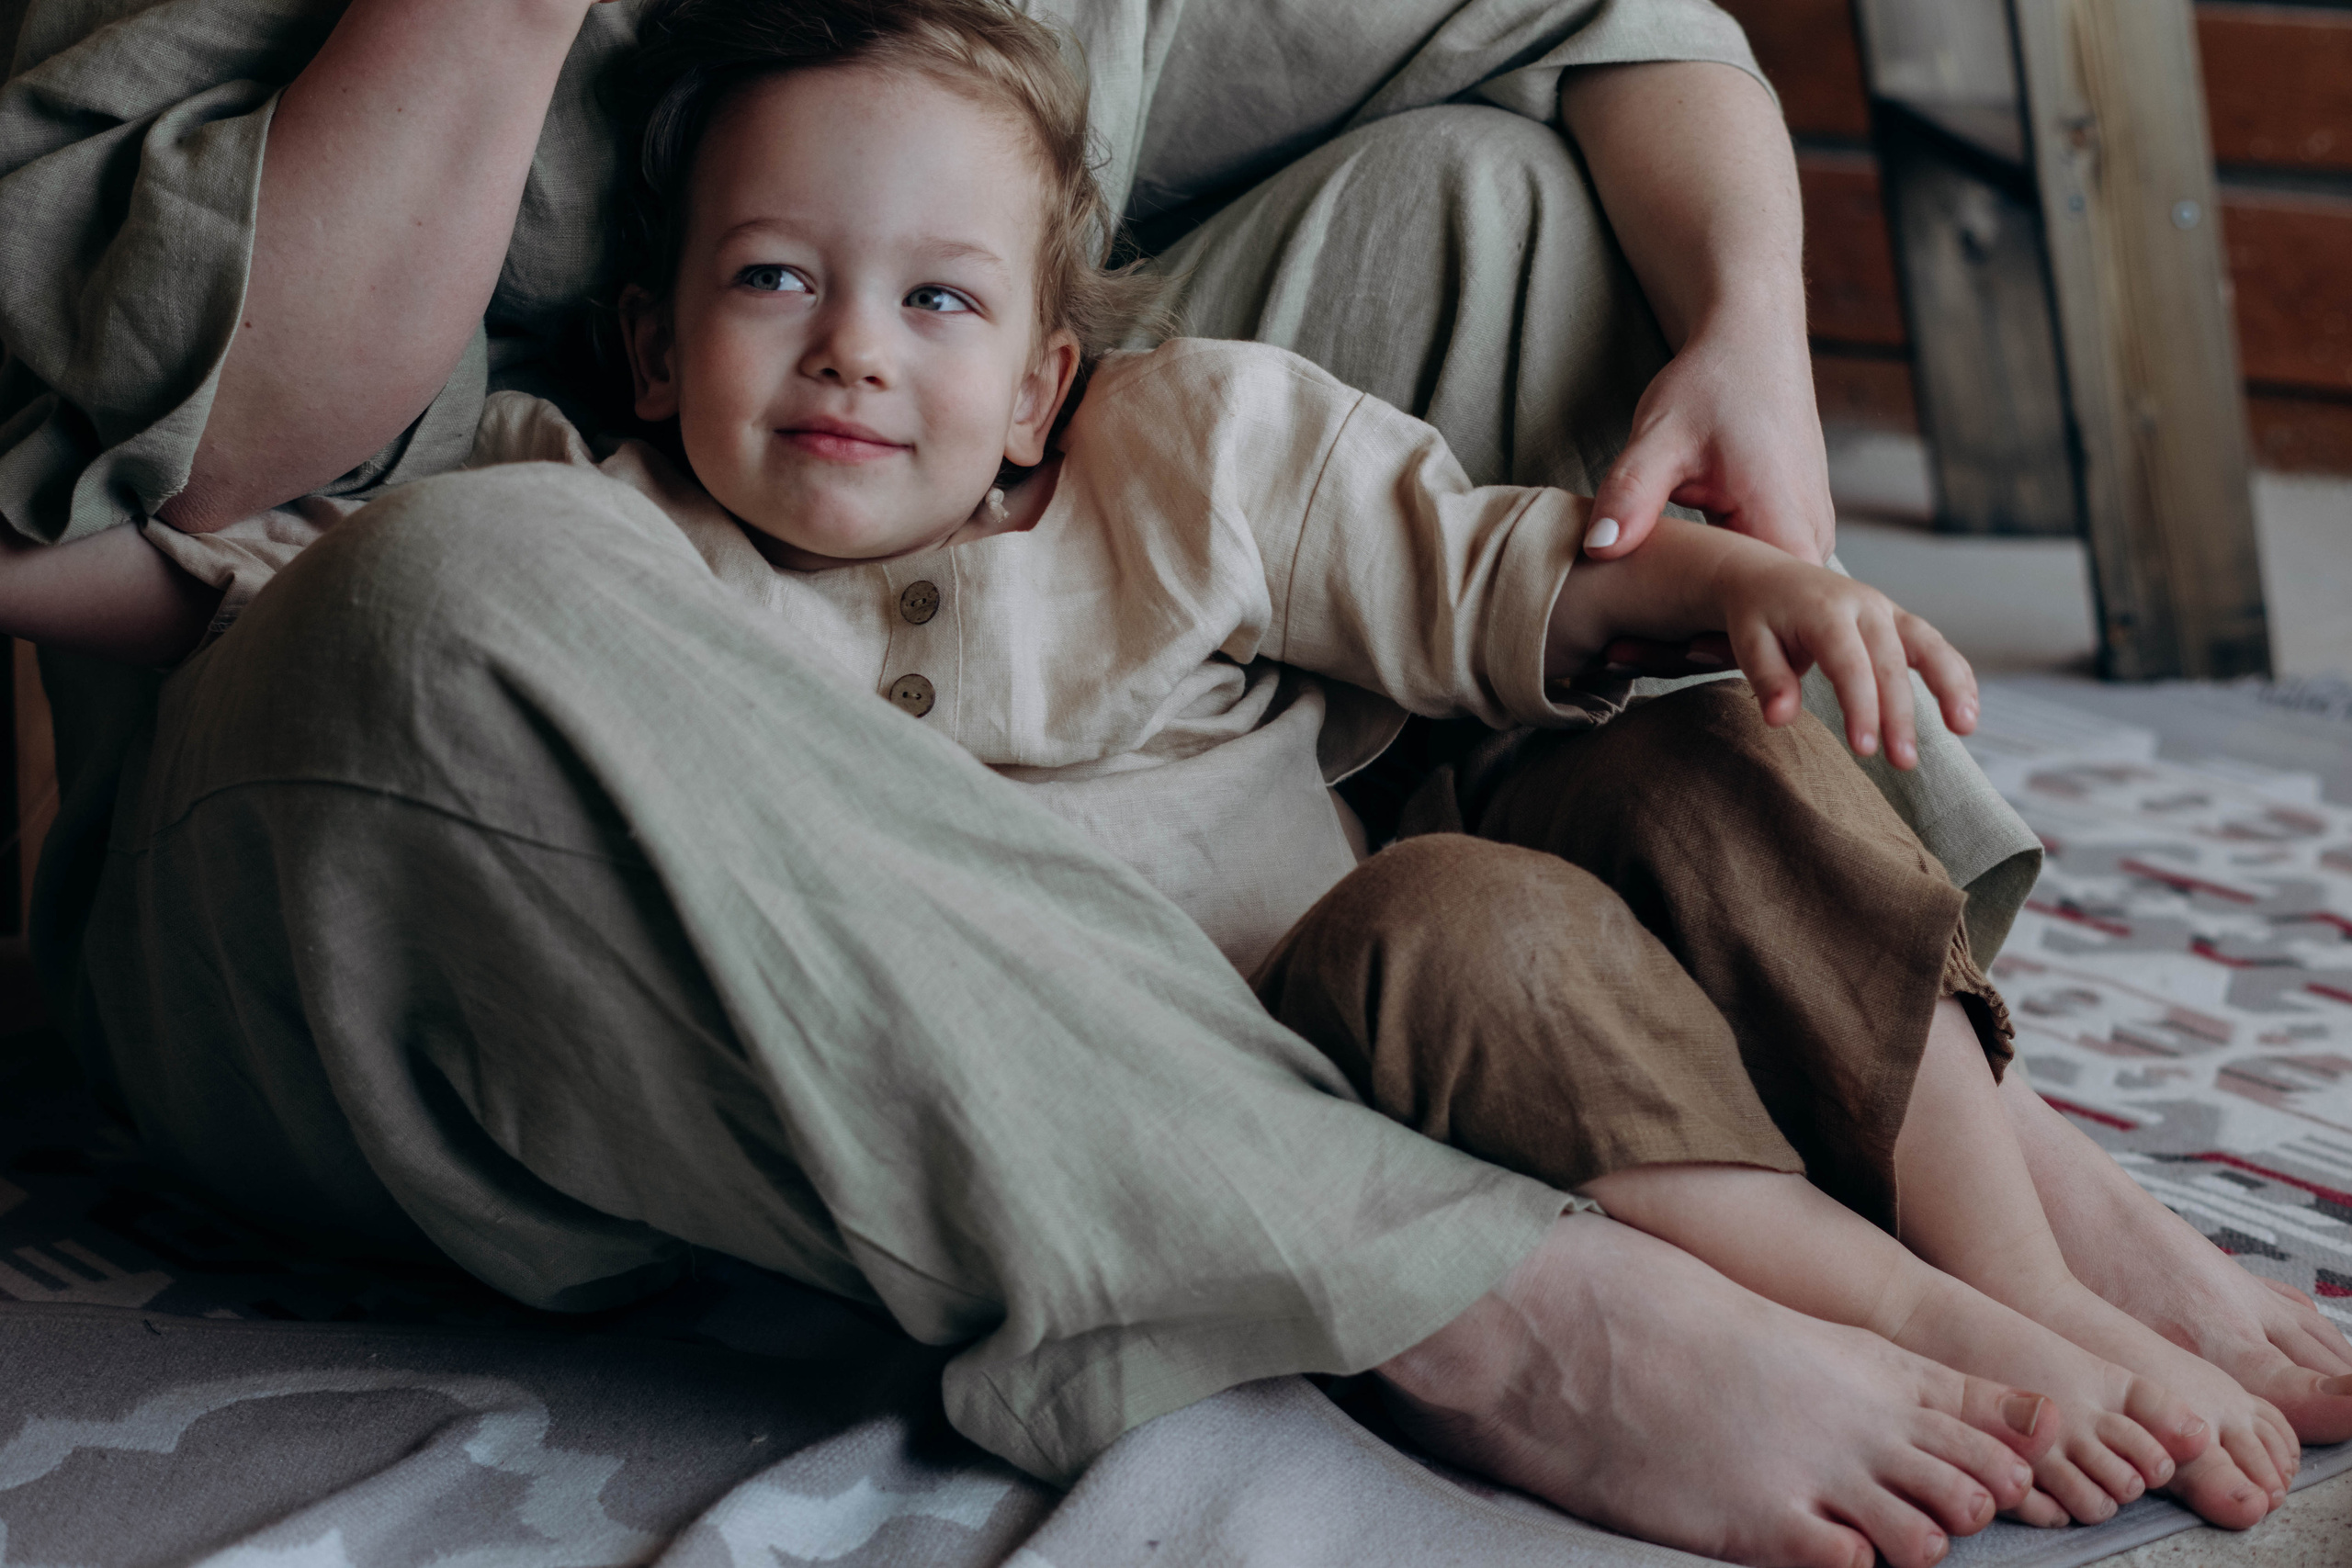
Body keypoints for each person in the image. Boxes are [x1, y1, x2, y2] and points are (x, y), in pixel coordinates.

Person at [0, 1, 2345, 1563]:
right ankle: (1483, 1291)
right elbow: (197, 534)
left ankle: (1929, 1118)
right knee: (458, 582)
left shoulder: (1153, 442)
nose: (843, 350)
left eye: (932, 305)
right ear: (658, 326)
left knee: (1495, 213)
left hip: (1323, 902)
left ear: (1042, 375)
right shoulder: (594, 492)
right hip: (412, 878)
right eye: (771, 287)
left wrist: (1743, 376)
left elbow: (1615, 41)